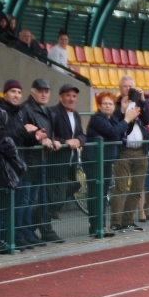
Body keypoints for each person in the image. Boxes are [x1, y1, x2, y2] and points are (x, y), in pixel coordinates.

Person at [0, 79, 38, 252]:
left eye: (19, 92)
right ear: (5, 93)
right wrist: (23, 130)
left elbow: (21, 139)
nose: (16, 95)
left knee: (16, 201)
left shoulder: (20, 112)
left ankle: (9, 236)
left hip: (16, 163)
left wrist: (35, 136)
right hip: (1, 164)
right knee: (2, 200)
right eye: (13, 91)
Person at [18, 79, 59, 247]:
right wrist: (40, 140)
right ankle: (20, 234)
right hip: (27, 161)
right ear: (33, 92)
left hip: (40, 161)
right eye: (40, 91)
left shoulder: (47, 111)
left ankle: (28, 232)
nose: (44, 94)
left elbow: (49, 132)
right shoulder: (25, 109)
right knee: (24, 199)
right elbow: (22, 135)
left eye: (46, 91)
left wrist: (53, 140)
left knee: (31, 199)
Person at [110, 78, 149, 232]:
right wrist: (122, 110)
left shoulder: (140, 103)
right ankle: (116, 221)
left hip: (140, 150)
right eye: (125, 86)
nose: (128, 89)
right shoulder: (115, 104)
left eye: (130, 86)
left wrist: (143, 100)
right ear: (120, 88)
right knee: (120, 188)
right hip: (123, 151)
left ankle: (128, 220)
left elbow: (148, 120)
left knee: (137, 187)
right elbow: (112, 123)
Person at [83, 91, 125, 237]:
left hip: (106, 161)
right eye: (105, 103)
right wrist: (126, 120)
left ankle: (101, 225)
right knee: (96, 193)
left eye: (110, 104)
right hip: (94, 161)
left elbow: (119, 132)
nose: (108, 106)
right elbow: (113, 133)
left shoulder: (112, 119)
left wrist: (126, 119)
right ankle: (96, 227)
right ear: (99, 106)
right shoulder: (97, 119)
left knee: (102, 194)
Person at [45, 83, 85, 230]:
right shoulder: (53, 112)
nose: (71, 99)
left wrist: (79, 140)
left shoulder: (76, 115)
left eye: (74, 96)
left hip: (71, 162)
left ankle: (48, 215)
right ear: (60, 97)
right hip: (56, 161)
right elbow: (49, 135)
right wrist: (65, 142)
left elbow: (82, 134)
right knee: (57, 196)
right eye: (68, 95)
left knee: (74, 185)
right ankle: (44, 220)